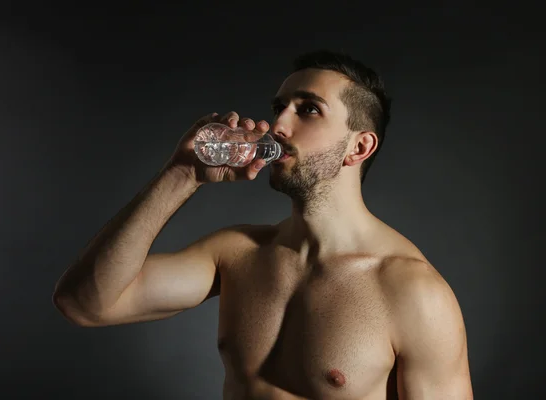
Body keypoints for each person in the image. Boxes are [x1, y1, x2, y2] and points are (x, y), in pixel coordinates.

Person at [53, 50, 474, 399]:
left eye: (308, 109)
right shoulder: (236, 253)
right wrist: (180, 175)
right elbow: (85, 304)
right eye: (279, 108)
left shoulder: (413, 292)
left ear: (359, 146)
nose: (278, 126)